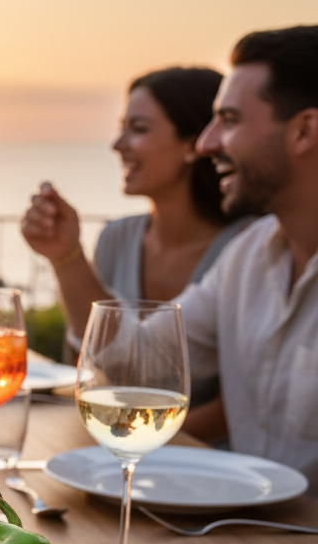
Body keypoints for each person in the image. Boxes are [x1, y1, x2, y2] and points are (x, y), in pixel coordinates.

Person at [20, 67, 253, 442]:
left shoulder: (247, 249)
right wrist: (65, 255)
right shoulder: (117, 237)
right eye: (121, 127)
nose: (117, 144)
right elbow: (94, 366)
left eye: (138, 129)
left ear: (192, 144)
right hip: (117, 450)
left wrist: (137, 439)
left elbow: (244, 403)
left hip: (206, 463)